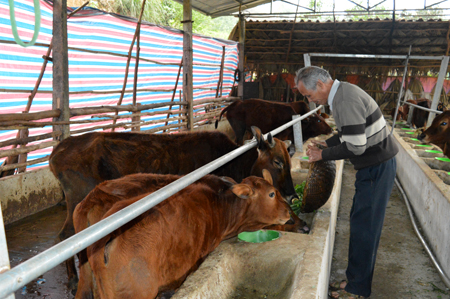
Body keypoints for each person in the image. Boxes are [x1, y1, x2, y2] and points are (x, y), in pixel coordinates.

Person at [295, 66, 398, 299]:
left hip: (375, 166)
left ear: (321, 85)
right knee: (360, 221)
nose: (311, 101)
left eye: (309, 96)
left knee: (365, 227)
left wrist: (322, 155)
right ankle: (355, 280)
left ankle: (357, 290)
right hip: (375, 164)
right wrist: (326, 144)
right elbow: (350, 133)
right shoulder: (344, 94)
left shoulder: (343, 101)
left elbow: (356, 146)